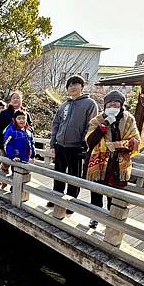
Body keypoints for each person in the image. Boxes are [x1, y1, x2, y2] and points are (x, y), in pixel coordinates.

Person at [86, 90, 140, 228]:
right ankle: (95, 217)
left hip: (119, 163)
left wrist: (116, 145)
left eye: (116, 102)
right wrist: (103, 126)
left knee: (115, 194)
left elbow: (135, 141)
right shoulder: (97, 120)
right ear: (105, 105)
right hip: (99, 163)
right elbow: (90, 141)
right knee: (97, 192)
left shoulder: (129, 120)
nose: (112, 105)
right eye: (109, 103)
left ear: (121, 104)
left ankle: (112, 221)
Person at [48, 75, 98, 212]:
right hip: (60, 144)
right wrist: (53, 144)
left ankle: (71, 203)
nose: (72, 87)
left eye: (76, 84)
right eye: (70, 85)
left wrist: (84, 143)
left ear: (82, 87)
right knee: (58, 173)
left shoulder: (89, 104)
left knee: (74, 176)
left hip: (76, 146)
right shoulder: (64, 105)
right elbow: (56, 124)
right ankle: (56, 198)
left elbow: (91, 126)